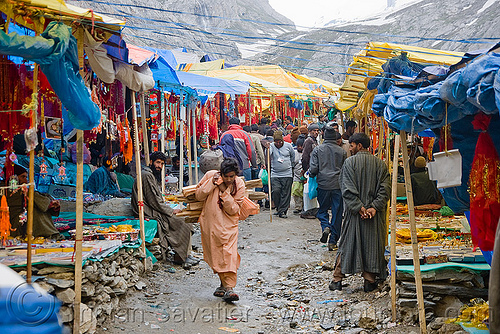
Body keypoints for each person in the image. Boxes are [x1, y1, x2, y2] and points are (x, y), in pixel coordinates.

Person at [330, 133, 390, 292]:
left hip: (354, 213)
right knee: (372, 245)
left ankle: (337, 279)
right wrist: (373, 207)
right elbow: (385, 190)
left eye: (351, 145)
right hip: (373, 215)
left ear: (360, 146)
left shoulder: (349, 163)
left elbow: (347, 189)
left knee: (348, 243)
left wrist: (359, 208)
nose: (350, 148)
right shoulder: (381, 165)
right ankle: (369, 281)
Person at [131, 152, 199, 268]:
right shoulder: (146, 175)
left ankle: (183, 255)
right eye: (158, 163)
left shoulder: (150, 174)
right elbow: (154, 201)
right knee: (181, 222)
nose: (160, 166)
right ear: (151, 162)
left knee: (185, 221)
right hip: (148, 210)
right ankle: (182, 257)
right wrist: (170, 211)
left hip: (153, 207)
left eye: (162, 164)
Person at [195, 158, 246, 302]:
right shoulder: (211, 176)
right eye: (226, 176)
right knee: (215, 256)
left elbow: (234, 209)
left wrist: (224, 190)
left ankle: (229, 288)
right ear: (221, 173)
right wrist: (212, 183)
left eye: (232, 176)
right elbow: (198, 195)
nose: (229, 179)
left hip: (229, 225)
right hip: (210, 224)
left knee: (229, 254)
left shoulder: (239, 184)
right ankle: (223, 285)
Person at [309, 127, 346, 251]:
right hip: (338, 185)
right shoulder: (341, 151)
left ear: (324, 137)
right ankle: (333, 241)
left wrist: (311, 176)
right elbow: (345, 169)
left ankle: (325, 225)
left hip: (323, 184)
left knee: (323, 210)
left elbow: (313, 168)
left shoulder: (318, 150)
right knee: (337, 212)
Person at [5, 164, 61, 239]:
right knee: (36, 209)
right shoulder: (11, 191)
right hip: (17, 226)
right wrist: (51, 203)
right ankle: (49, 235)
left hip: (22, 223)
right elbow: (41, 202)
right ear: (13, 179)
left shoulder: (24, 192)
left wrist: (52, 204)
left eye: (26, 177)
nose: (26, 180)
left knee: (39, 205)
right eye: (22, 177)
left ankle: (51, 234)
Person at [267, 131, 295, 218]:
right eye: (276, 142)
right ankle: (278, 208)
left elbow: (292, 157)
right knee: (276, 191)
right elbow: (268, 156)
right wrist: (267, 148)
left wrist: (291, 167)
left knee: (286, 193)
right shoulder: (271, 146)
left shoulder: (288, 146)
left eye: (280, 142)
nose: (278, 144)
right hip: (275, 174)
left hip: (287, 173)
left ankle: (283, 211)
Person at [292, 135, 305, 214]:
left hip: (305, 176)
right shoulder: (294, 153)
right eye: (298, 146)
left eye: (301, 146)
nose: (300, 148)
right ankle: (298, 207)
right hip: (296, 176)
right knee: (296, 191)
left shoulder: (306, 153)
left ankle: (304, 206)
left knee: (304, 191)